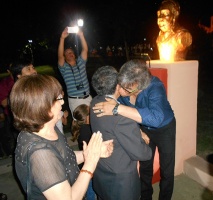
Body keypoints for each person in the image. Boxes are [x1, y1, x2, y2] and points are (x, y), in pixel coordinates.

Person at [9, 74, 113, 200]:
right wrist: (90, 164)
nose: (62, 101)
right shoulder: (40, 153)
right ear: (43, 107)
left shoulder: (47, 128)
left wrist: (90, 153)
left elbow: (64, 159)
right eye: (58, 98)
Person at [92, 59, 176, 200]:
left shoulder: (155, 87)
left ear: (139, 87)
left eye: (126, 89)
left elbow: (156, 119)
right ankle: (145, 197)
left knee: (167, 170)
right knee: (145, 166)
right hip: (144, 127)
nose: (121, 90)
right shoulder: (126, 86)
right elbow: (129, 116)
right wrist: (138, 130)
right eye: (121, 85)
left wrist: (117, 108)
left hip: (164, 129)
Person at [90, 66, 152, 200]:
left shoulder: (95, 102)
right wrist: (148, 148)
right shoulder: (123, 120)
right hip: (121, 183)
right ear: (118, 86)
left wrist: (138, 132)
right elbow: (141, 153)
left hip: (101, 171)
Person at [58, 27, 92, 116]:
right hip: (75, 100)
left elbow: (85, 50)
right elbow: (60, 56)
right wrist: (62, 38)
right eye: (67, 53)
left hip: (88, 97)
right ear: (65, 57)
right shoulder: (64, 68)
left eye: (71, 52)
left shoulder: (81, 62)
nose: (70, 54)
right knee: (79, 125)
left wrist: (81, 36)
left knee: (92, 121)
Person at [71, 104, 96, 200]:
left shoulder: (82, 128)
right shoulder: (88, 130)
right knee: (90, 189)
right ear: (87, 118)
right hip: (87, 165)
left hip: (82, 164)